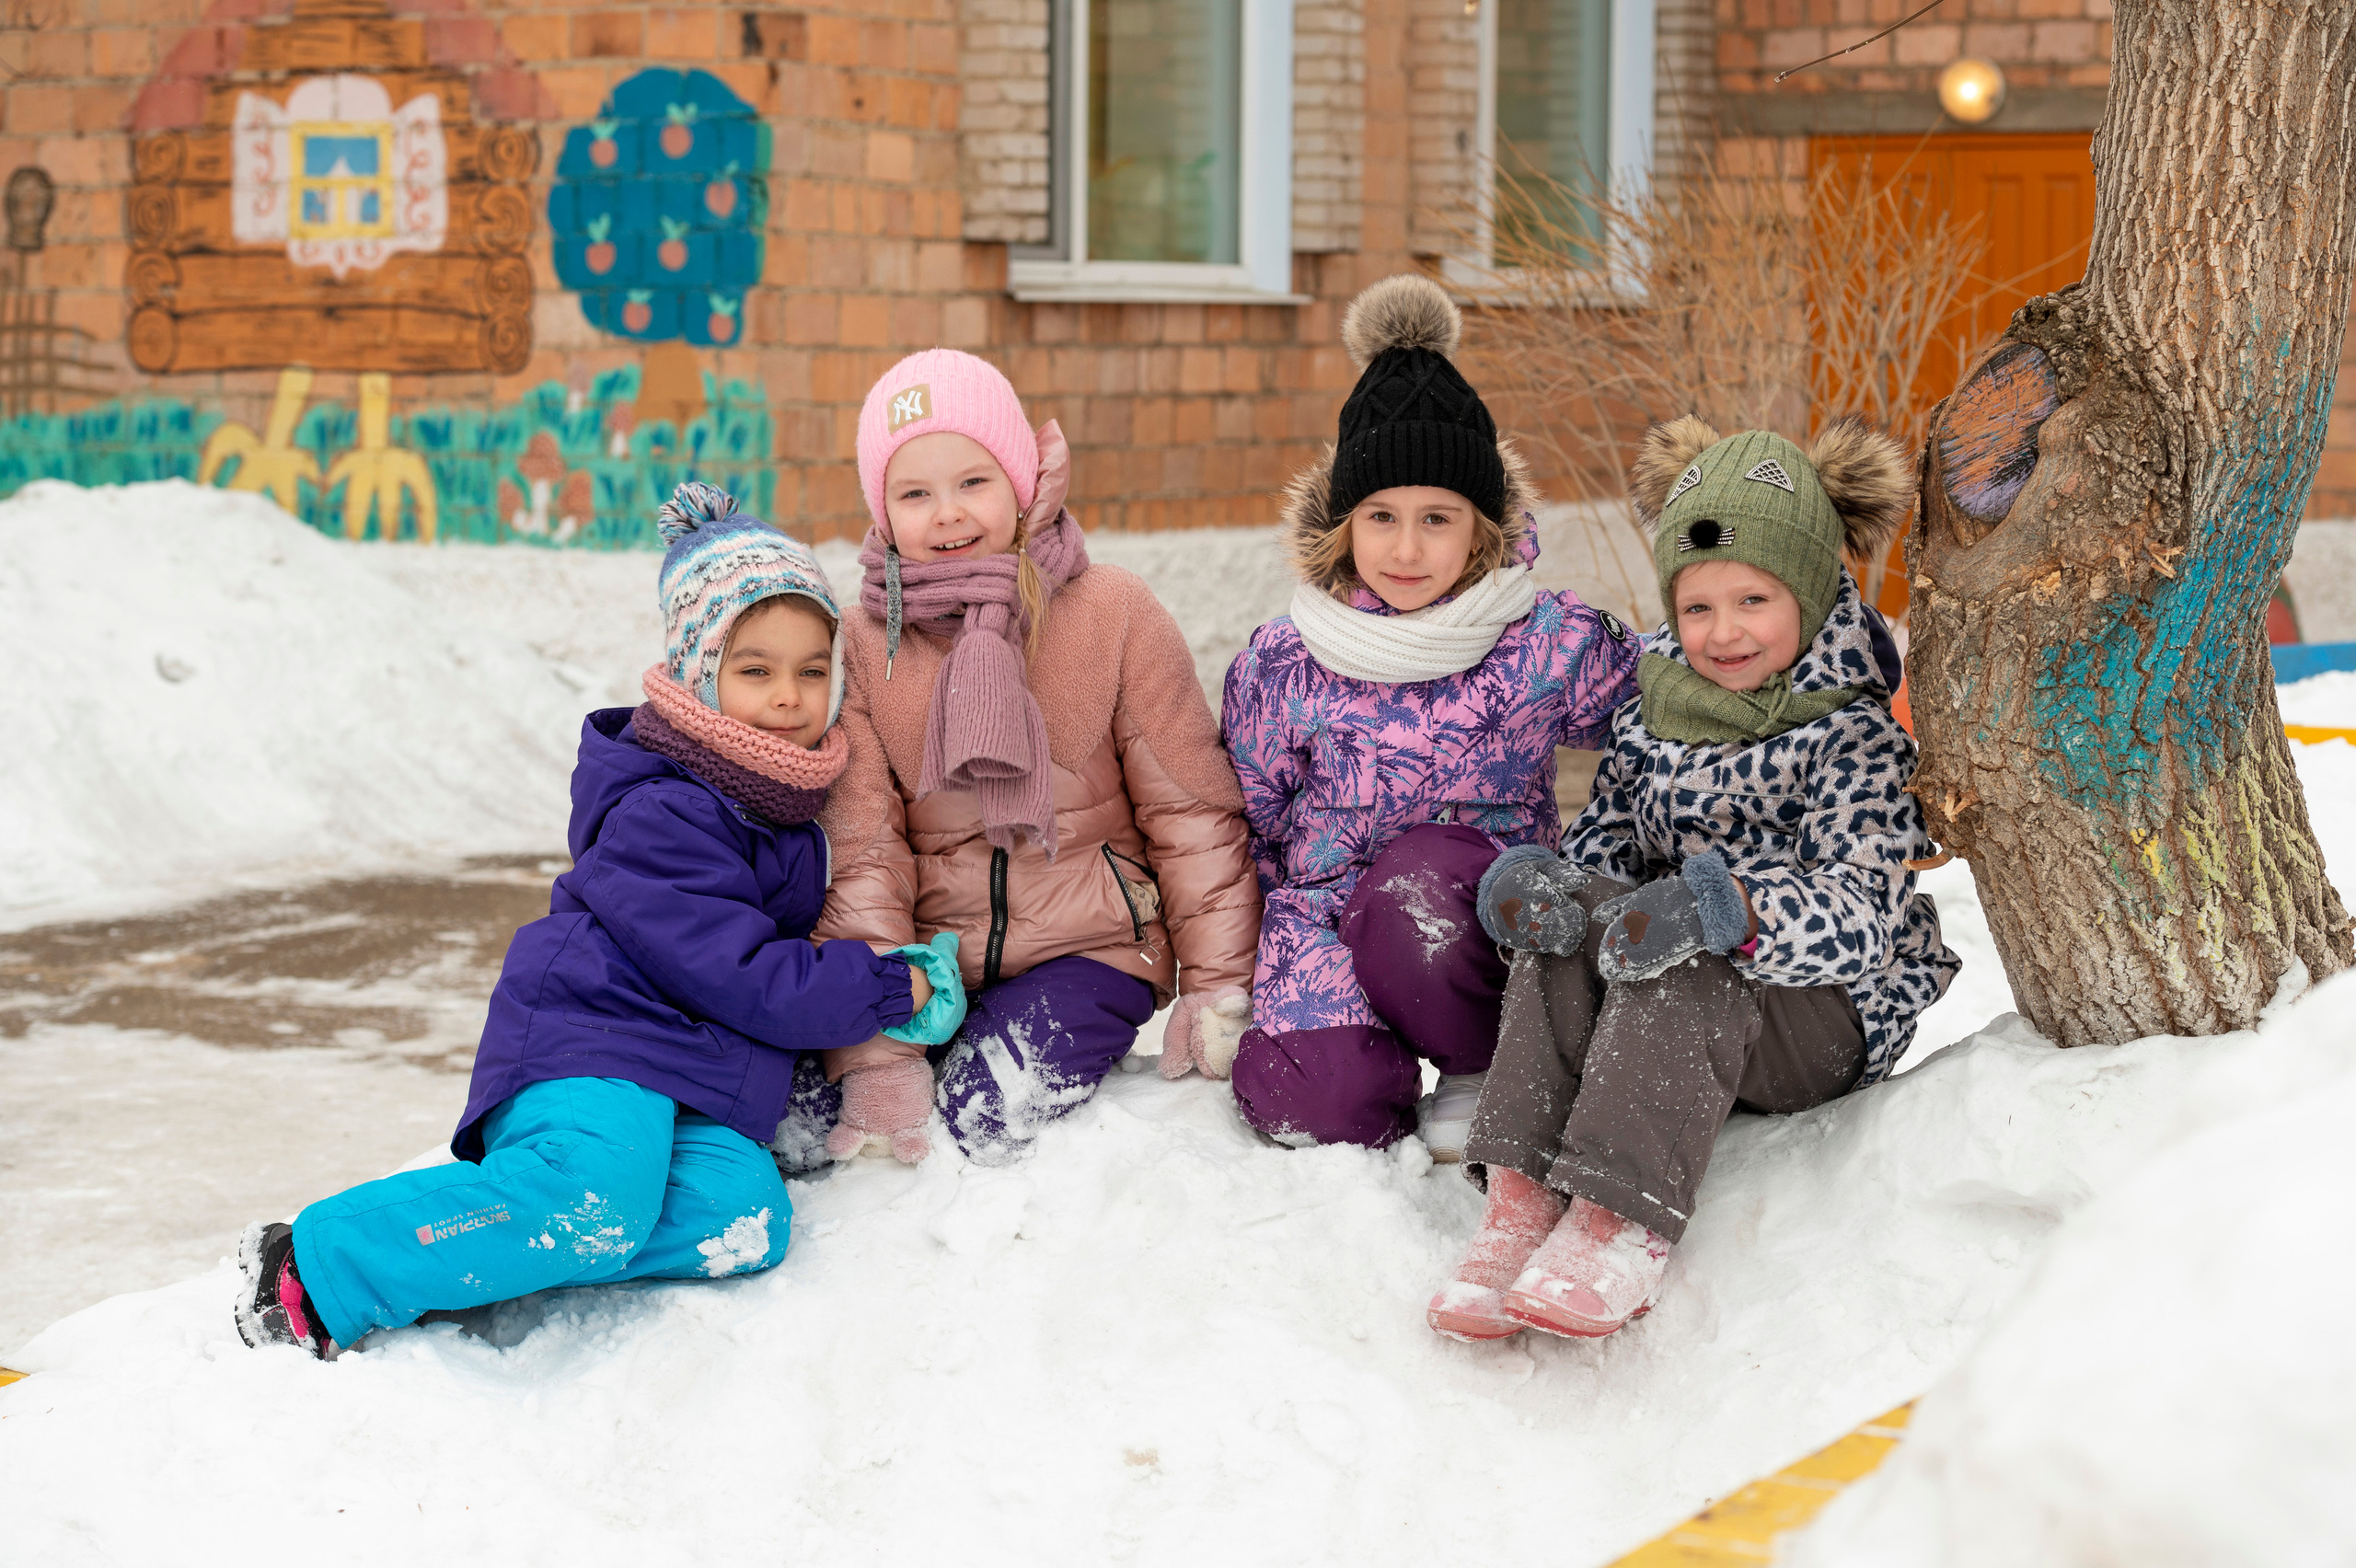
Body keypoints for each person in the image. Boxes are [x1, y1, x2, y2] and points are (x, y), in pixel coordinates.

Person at [233, 484, 961, 1359]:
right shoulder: (668, 807)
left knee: (744, 1220)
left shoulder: (779, 803)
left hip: (683, 1071)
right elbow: (736, 972)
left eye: (813, 671)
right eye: (755, 670)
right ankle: (319, 1265)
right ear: (701, 672)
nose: (789, 698)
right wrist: (883, 984)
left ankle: (494, 1241)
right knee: (600, 1201)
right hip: (597, 1040)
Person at [1427, 416, 1961, 1344]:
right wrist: (1546, 887)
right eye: (1698, 607)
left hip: (1818, 1015)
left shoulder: (1853, 733)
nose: (1723, 633)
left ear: (1808, 591)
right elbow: (1611, 846)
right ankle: (1518, 1201)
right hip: (1667, 1003)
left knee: (1683, 955)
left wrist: (1726, 908)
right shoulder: (1657, 710)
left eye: (1753, 600)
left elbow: (1859, 915)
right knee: (1577, 925)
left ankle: (1617, 1220)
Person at [795, 349, 1261, 1168]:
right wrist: (878, 1047)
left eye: (972, 481)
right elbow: (863, 852)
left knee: (981, 1112)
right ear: (881, 510)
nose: (947, 515)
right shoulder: (867, 644)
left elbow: (1188, 807)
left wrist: (1220, 987)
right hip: (936, 968)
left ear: (1022, 481)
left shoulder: (1110, 610)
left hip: (1097, 953)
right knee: (804, 1120)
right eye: (914, 493)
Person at [1215, 274, 1641, 1158]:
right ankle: (1373, 1067)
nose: (1407, 549)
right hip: (1325, 914)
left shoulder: (1542, 638)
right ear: (1345, 524)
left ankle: (1483, 1059)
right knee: (1314, 1110)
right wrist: (1234, 967)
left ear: (1480, 528)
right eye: (1382, 517)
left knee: (1411, 896)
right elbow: (1247, 816)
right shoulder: (1283, 660)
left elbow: (1658, 717)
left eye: (1437, 519)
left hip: (1467, 919)